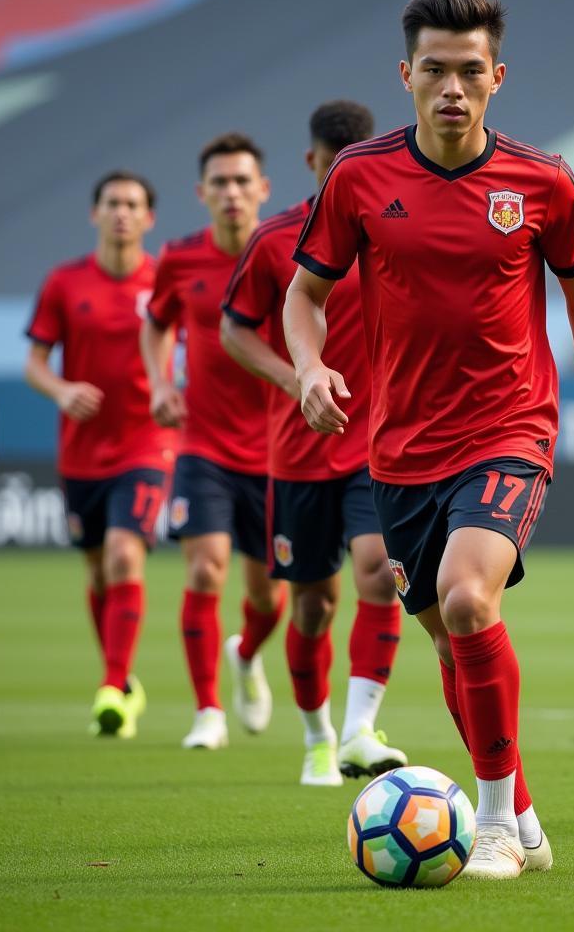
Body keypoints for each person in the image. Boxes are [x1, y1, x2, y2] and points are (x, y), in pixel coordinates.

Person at [284, 0, 574, 878]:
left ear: (497, 77)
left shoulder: (542, 178)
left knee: (472, 600)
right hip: (399, 449)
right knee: (447, 636)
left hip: (509, 428)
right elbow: (304, 296)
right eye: (434, 69)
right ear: (406, 75)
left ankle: (485, 826)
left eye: (469, 70)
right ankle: (517, 805)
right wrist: (312, 366)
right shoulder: (360, 177)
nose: (452, 87)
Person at [220, 100, 408, 786]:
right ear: (313, 163)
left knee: (379, 570)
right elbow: (235, 328)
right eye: (336, 167)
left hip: (376, 442)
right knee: (311, 603)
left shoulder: (394, 228)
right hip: (299, 450)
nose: (348, 179)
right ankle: (317, 736)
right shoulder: (275, 238)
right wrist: (295, 375)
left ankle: (360, 729)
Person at [141, 133, 285, 749]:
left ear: (263, 190)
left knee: (270, 597)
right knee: (204, 571)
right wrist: (158, 384)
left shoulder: (286, 249)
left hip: (280, 448)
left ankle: (246, 655)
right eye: (219, 183)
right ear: (202, 194)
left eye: (241, 181)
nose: (231, 193)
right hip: (203, 445)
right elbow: (156, 325)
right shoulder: (179, 258)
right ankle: (207, 712)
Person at [25, 171, 175, 738]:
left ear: (148, 218)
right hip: (81, 452)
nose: (121, 213)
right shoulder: (64, 283)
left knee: (122, 555)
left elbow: (195, 344)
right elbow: (37, 362)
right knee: (96, 568)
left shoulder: (163, 281)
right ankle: (122, 678)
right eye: (111, 203)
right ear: (95, 213)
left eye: (132, 204)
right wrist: (62, 390)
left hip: (146, 443)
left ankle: (112, 686)